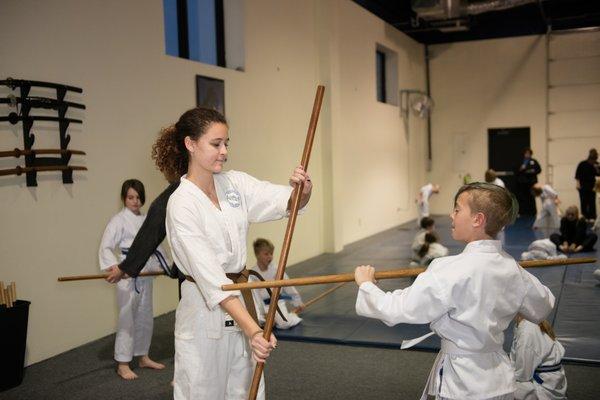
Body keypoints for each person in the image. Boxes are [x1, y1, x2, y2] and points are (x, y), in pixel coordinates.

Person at [158, 107, 312, 400]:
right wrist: (254, 330)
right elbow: (214, 281)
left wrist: (303, 189)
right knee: (203, 391)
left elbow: (288, 202)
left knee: (244, 392)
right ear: (190, 144)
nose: (224, 151)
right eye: (216, 144)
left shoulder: (234, 184)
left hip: (242, 300)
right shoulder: (181, 205)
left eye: (226, 143)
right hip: (205, 312)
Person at [355, 182, 555, 400]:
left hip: (462, 384)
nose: (451, 215)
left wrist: (366, 285)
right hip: (500, 382)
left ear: (478, 219)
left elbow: (398, 309)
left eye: (457, 209)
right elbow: (543, 306)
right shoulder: (513, 270)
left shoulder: (448, 270)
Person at [98, 179, 167, 380]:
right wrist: (115, 268)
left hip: (145, 273)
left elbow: (154, 245)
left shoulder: (146, 220)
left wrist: (164, 267)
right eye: (130, 197)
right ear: (124, 198)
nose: (135, 201)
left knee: (145, 316)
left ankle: (143, 356)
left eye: (138, 197)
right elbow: (106, 247)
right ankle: (123, 362)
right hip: (127, 274)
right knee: (127, 317)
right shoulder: (118, 221)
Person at [250, 238, 304, 329]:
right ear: (257, 255)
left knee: (284, 324)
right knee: (260, 324)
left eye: (271, 254)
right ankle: (271, 320)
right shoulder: (253, 274)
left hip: (277, 303)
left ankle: (292, 316)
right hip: (263, 306)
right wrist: (264, 313)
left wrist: (297, 301)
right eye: (266, 254)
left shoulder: (276, 270)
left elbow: (287, 285)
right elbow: (256, 297)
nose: (270, 257)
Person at [510, 315, 567, 400]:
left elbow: (523, 375)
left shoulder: (527, 330)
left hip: (543, 384)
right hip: (552, 379)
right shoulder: (531, 323)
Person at [575, 148, 600, 221]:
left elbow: (599, 175)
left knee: (592, 202)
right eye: (592, 159)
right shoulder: (582, 164)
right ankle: (585, 217)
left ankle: (592, 217)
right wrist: (577, 184)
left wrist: (597, 168)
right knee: (583, 202)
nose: (593, 161)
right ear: (589, 157)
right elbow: (577, 175)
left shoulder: (597, 164)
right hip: (583, 186)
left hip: (592, 186)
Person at [516, 148, 542, 216]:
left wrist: (533, 171)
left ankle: (533, 212)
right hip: (522, 183)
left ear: (531, 154)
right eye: (526, 153)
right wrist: (520, 169)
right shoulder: (520, 161)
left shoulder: (534, 161)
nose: (527, 154)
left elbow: (539, 170)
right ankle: (522, 212)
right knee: (523, 198)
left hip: (531, 183)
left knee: (532, 197)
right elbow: (516, 171)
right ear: (524, 154)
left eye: (529, 153)